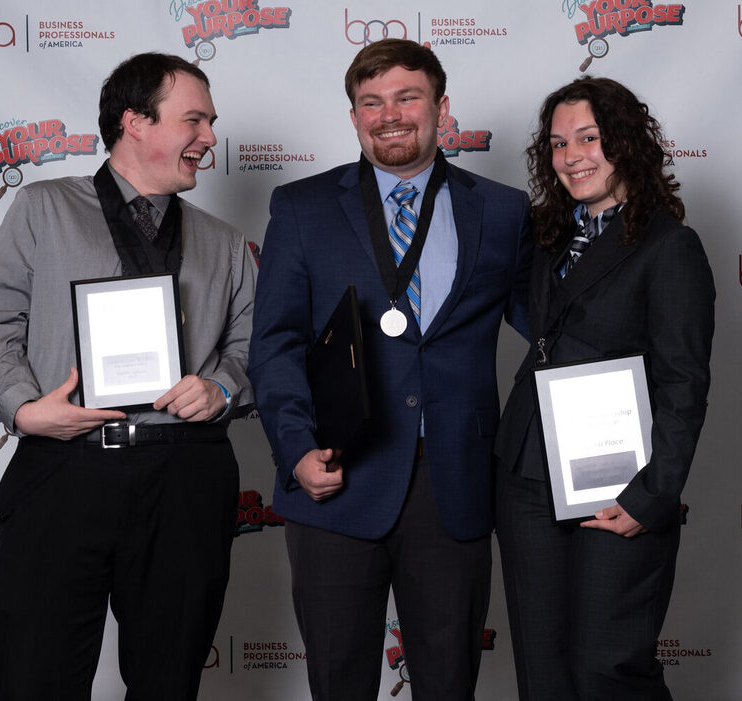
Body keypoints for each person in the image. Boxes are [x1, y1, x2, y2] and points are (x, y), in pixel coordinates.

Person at [0, 52, 255, 701]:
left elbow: (252, 348)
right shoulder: (42, 208)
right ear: (135, 122)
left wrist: (223, 387)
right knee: (34, 678)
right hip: (63, 467)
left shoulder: (227, 243)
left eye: (210, 122)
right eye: (195, 120)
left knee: (168, 684)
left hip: (185, 477)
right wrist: (25, 408)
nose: (210, 137)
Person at [248, 39, 530, 701]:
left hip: (453, 482)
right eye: (371, 102)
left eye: (407, 97)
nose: (389, 115)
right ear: (353, 117)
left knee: (448, 684)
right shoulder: (302, 206)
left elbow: (554, 328)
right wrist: (295, 450)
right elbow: (275, 343)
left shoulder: (503, 210)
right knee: (338, 682)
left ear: (441, 109)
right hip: (335, 472)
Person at [494, 77, 715, 700]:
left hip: (619, 481)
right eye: (558, 143)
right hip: (526, 473)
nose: (572, 156)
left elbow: (684, 383)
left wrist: (652, 496)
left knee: (606, 668)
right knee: (542, 672)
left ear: (625, 143)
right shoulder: (544, 235)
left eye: (588, 138)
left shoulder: (670, 247)